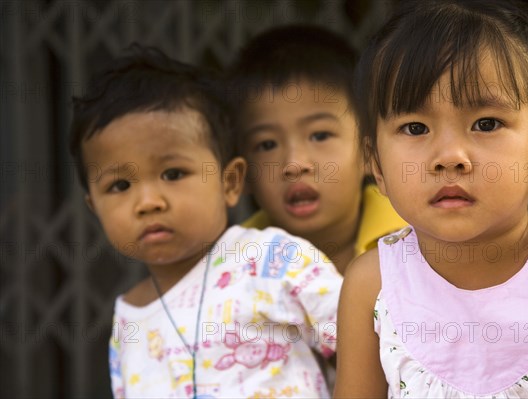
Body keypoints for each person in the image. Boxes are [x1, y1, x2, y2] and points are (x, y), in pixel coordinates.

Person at [334, 0, 528, 397]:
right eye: (415, 127)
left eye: (486, 123)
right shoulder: (371, 284)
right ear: (377, 165)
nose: (450, 157)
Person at [69, 44, 342, 399]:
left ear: (229, 183)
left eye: (173, 173)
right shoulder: (129, 318)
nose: (149, 202)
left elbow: (371, 342)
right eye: (119, 185)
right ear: (94, 207)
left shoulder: (271, 261)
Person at [226, 25, 408, 276]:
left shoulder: (414, 240)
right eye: (267, 144)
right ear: (242, 175)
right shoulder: (231, 265)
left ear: (370, 153)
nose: (295, 164)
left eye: (320, 135)